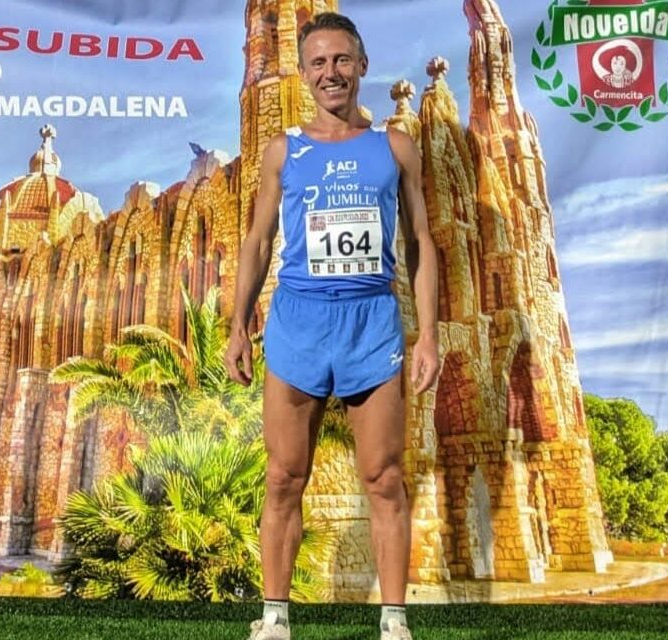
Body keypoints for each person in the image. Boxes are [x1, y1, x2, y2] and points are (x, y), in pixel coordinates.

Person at [224, 11, 440, 640]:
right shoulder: (282, 150)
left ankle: (395, 622)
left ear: (363, 65)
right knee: (285, 476)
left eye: (341, 60)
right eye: (318, 62)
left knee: (385, 477)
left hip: (371, 322)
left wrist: (430, 333)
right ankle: (274, 620)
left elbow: (421, 242)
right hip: (298, 324)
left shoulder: (395, 147)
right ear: (303, 73)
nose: (331, 73)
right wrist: (239, 324)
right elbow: (259, 240)